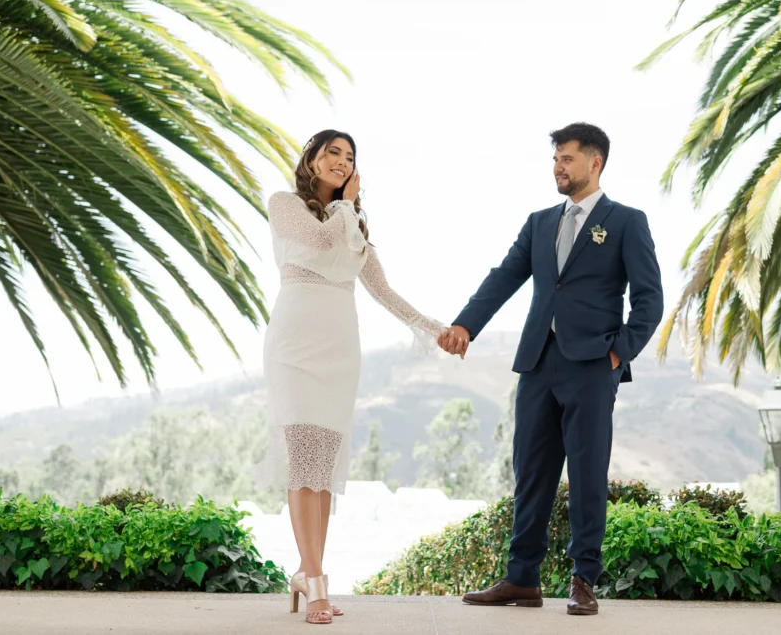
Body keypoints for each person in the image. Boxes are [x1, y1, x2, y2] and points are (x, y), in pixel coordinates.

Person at [439, 122, 663, 615]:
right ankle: (521, 578)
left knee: (586, 474)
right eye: (555, 159)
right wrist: (465, 325)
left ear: (594, 162)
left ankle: (584, 579)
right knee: (531, 472)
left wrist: (617, 352)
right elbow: (504, 277)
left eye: (567, 158)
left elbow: (650, 301)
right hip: (538, 363)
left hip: (591, 365)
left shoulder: (626, 221)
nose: (558, 167)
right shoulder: (540, 222)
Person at [262, 130, 446, 625]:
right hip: (295, 347)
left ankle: (307, 571)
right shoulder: (285, 204)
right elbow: (321, 238)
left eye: (349, 156)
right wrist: (346, 205)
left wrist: (435, 329)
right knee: (303, 458)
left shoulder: (354, 222)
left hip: (341, 350)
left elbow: (382, 289)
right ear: (312, 159)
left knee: (321, 467)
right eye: (333, 153)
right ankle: (316, 583)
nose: (342, 161)